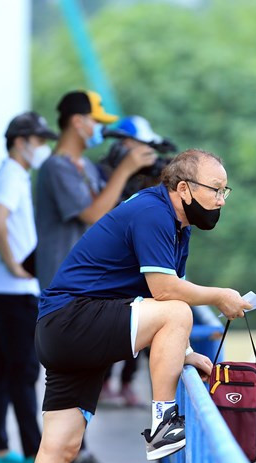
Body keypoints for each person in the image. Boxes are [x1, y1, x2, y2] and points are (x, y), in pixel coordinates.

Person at [20, 149, 253, 463]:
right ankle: (164, 422)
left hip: (70, 330)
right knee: (178, 311)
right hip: (74, 319)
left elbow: (149, 308)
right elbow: (164, 293)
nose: (222, 199)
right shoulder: (153, 211)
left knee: (61, 446)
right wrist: (220, 295)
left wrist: (182, 353)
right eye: (215, 190)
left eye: (226, 191)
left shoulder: (176, 228)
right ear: (183, 189)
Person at [35, 90, 157, 463]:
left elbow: (113, 209)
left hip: (89, 288)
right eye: (95, 122)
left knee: (86, 372)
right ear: (77, 121)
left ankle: (74, 452)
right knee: (64, 376)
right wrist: (124, 169)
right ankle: (67, 453)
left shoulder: (83, 167)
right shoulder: (56, 167)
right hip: (63, 291)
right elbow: (92, 213)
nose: (99, 130)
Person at [0, 112, 57, 463]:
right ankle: (34, 450)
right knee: (23, 369)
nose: (42, 148)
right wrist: (11, 265)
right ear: (21, 141)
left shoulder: (9, 175)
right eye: (39, 141)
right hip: (14, 289)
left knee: (5, 368)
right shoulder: (11, 175)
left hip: (4, 287)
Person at [96, 115, 176, 407]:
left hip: (139, 270)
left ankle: (127, 383)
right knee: (114, 328)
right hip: (111, 272)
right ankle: (104, 382)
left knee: (148, 324)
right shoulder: (101, 175)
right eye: (137, 146)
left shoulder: (142, 180)